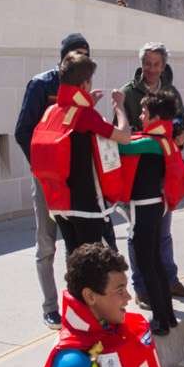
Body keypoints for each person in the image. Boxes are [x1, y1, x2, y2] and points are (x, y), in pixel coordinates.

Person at [24, 244, 183, 367]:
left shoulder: (111, 332)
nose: (128, 297)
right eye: (120, 290)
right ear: (90, 296)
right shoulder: (73, 363)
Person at [14, 33, 92, 329]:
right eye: (75, 54)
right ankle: (50, 307)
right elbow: (23, 131)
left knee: (79, 244)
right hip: (48, 179)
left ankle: (80, 304)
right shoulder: (41, 85)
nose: (80, 59)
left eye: (85, 54)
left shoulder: (85, 87)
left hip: (76, 181)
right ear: (63, 58)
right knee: (47, 244)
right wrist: (44, 168)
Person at [28, 52, 134, 255]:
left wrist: (87, 103)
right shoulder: (85, 115)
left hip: (61, 206)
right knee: (101, 268)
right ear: (85, 84)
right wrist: (119, 106)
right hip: (87, 207)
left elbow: (73, 128)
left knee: (76, 265)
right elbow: (124, 136)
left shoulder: (52, 112)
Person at [120, 43, 184, 301]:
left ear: (163, 66)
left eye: (156, 64)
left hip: (164, 171)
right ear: (141, 63)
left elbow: (182, 121)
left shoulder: (171, 91)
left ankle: (170, 280)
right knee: (138, 234)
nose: (152, 69)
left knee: (163, 232)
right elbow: (117, 133)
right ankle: (142, 288)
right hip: (139, 176)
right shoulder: (128, 93)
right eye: (147, 63)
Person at [118, 90, 184, 336]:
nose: (141, 115)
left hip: (145, 208)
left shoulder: (150, 142)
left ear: (156, 116)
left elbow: (121, 143)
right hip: (156, 206)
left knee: (146, 264)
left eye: (145, 112)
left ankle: (159, 320)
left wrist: (119, 108)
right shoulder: (165, 141)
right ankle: (167, 315)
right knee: (156, 263)